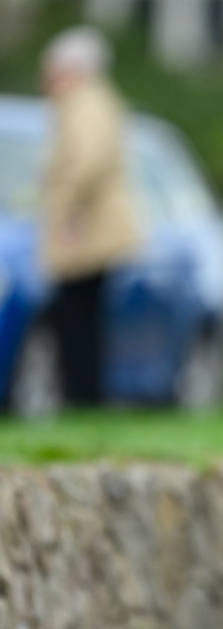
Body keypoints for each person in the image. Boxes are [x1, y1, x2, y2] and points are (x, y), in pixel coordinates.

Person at [41, 27, 139, 405]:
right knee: (83, 315)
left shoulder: (85, 104)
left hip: (86, 228)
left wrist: (69, 210)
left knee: (77, 316)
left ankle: (81, 396)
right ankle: (83, 394)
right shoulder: (95, 101)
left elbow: (87, 162)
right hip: (92, 226)